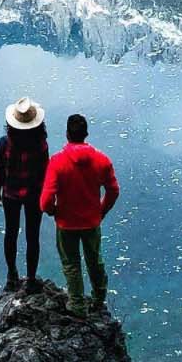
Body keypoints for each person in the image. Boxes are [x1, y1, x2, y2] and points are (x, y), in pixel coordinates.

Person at [40, 112, 120, 314]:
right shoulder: (102, 160)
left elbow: (46, 200)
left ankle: (77, 304)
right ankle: (99, 298)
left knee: (71, 264)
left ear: (67, 134)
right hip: (92, 222)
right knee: (95, 260)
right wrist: (101, 211)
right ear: (86, 134)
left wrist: (53, 211)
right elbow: (113, 190)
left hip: (66, 224)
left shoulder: (57, 162)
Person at [0, 96, 51, 293]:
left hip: (11, 194)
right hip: (34, 195)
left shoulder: (5, 143)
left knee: (11, 233)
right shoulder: (41, 144)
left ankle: (12, 276)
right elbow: (46, 173)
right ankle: (32, 279)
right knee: (32, 237)